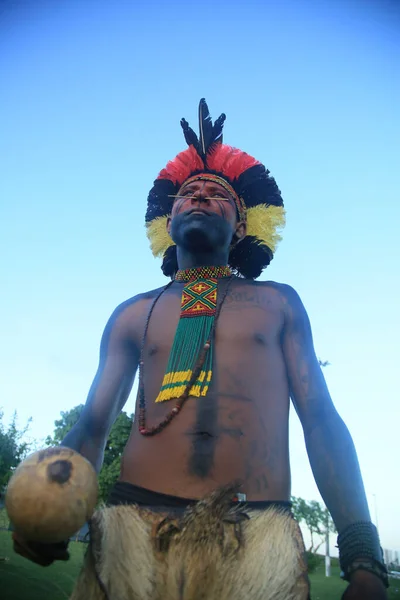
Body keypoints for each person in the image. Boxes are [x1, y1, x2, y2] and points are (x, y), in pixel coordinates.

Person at [13, 99, 388, 599]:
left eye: (218, 194)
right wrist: (48, 507)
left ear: (242, 225)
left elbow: (320, 418)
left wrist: (362, 551)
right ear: (168, 221)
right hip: (131, 535)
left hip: (255, 537)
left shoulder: (278, 304)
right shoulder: (132, 313)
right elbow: (93, 425)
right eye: (189, 192)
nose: (200, 197)